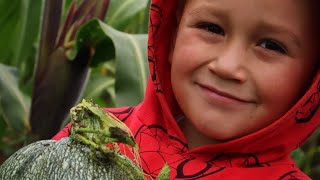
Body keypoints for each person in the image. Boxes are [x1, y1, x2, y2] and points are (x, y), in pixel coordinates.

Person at [53, 0, 320, 179]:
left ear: (312, 79)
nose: (227, 66)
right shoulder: (88, 135)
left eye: (271, 46)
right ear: (172, 35)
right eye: (211, 28)